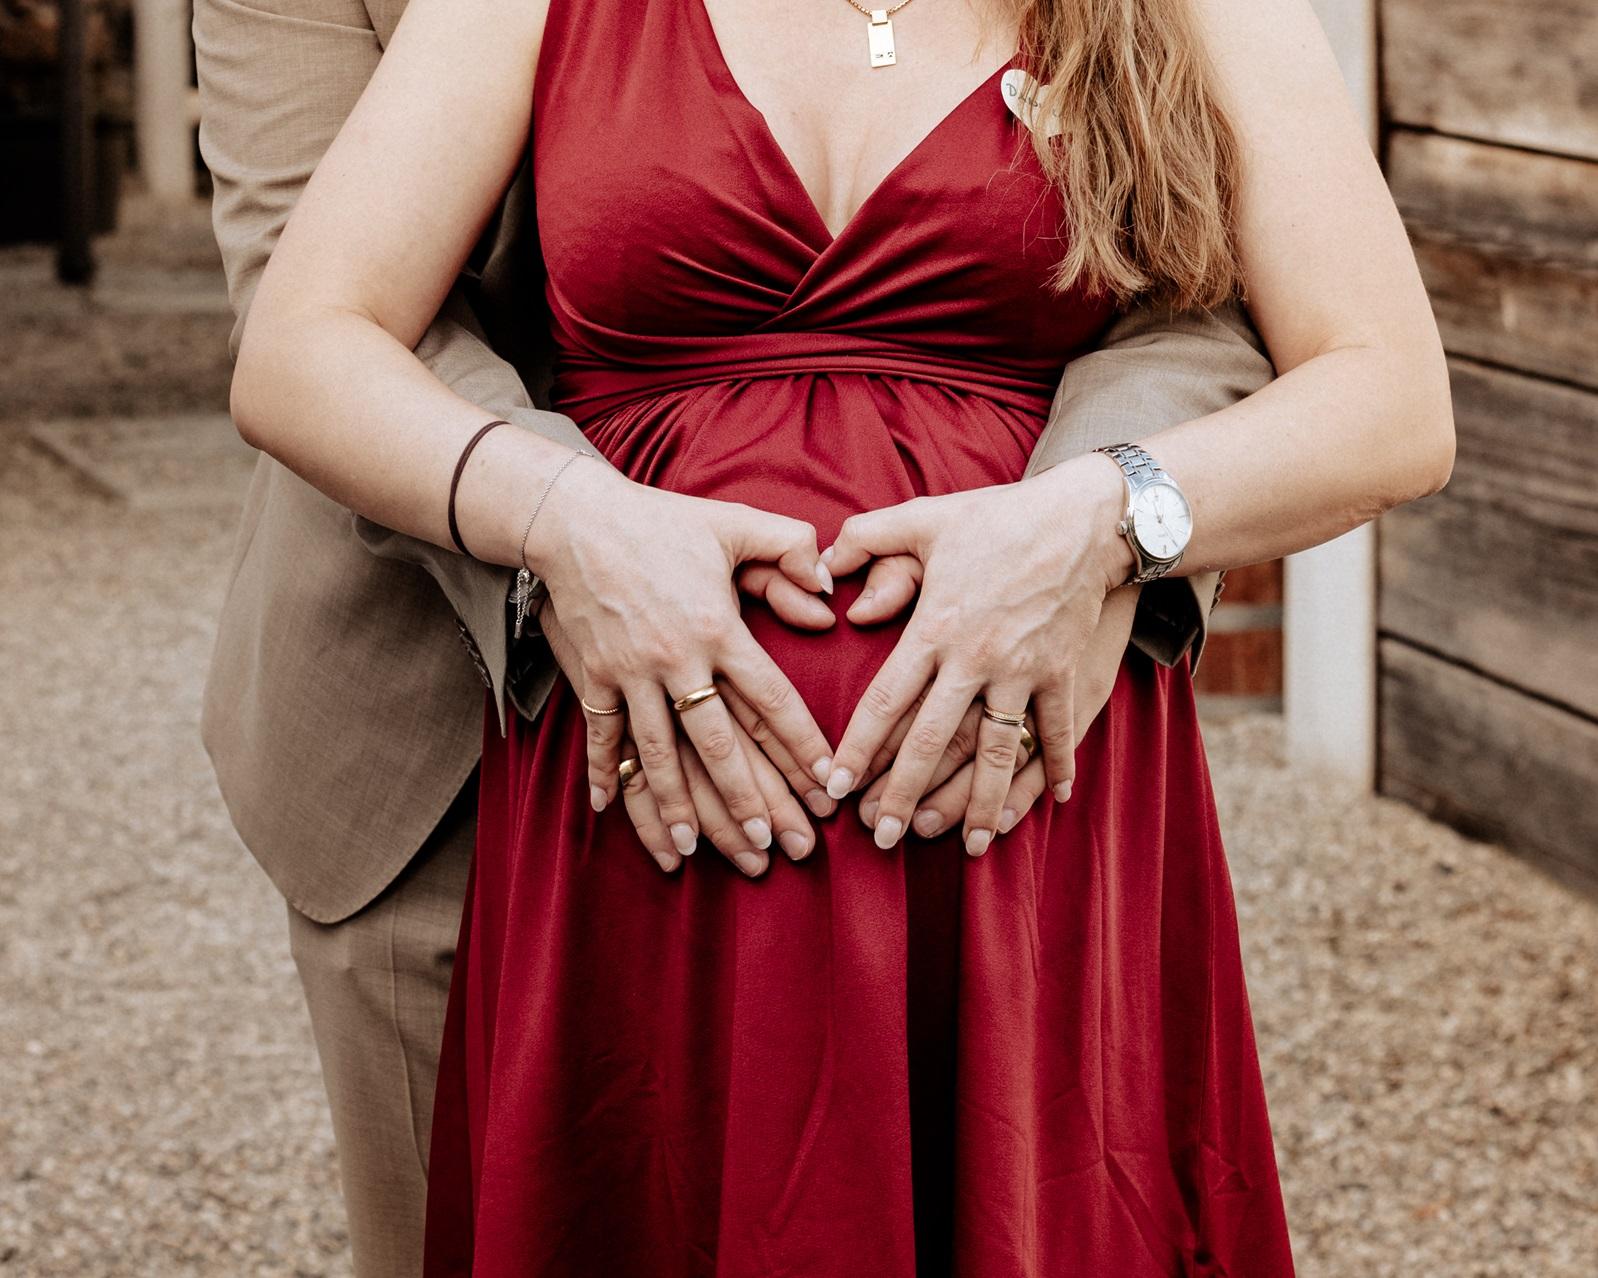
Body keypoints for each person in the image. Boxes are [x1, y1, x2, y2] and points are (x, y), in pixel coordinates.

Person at [206, 0, 1454, 1269]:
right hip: (641, 799)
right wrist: (566, 523)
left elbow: (1389, 397)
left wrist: (1097, 521)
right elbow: (305, 343)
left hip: (1016, 819)